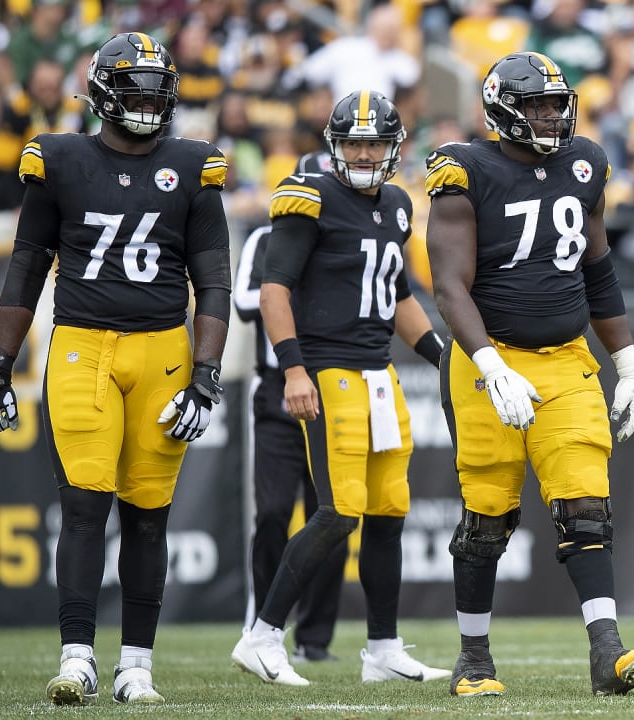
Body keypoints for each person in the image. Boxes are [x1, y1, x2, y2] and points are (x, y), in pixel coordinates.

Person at [0, 33, 230, 705]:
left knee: (148, 514)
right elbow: (27, 265)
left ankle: (136, 666)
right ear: (105, 94)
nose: (147, 104)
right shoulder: (59, 159)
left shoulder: (193, 166)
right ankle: (79, 657)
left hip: (163, 353)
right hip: (83, 346)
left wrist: (205, 376)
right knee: (84, 508)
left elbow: (215, 282)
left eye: (156, 92)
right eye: (135, 91)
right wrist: (0, 363)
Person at [424, 51, 634, 697]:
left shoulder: (583, 162)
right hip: (487, 361)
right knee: (488, 516)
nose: (550, 116)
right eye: (536, 105)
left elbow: (598, 269)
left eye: (557, 104)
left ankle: (607, 652)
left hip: (566, 359)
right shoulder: (466, 167)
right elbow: (449, 287)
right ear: (503, 108)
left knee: (587, 506)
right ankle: (473, 660)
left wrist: (627, 359)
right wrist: (490, 362)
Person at [229, 90, 449, 687]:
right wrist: (295, 368)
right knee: (335, 513)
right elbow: (274, 292)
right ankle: (263, 635)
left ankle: (382, 648)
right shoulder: (312, 197)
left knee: (388, 513)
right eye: (352, 141)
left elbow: (398, 295)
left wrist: (441, 356)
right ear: (334, 145)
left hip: (379, 373)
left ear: (392, 147)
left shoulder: (399, 204)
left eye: (373, 141)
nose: (361, 151)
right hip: (329, 370)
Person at [232, 154, 345, 666]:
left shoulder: (348, 231)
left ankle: (315, 638)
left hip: (336, 389)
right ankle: (263, 625)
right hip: (278, 387)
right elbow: (247, 300)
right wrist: (299, 282)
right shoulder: (267, 237)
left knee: (337, 513)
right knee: (274, 512)